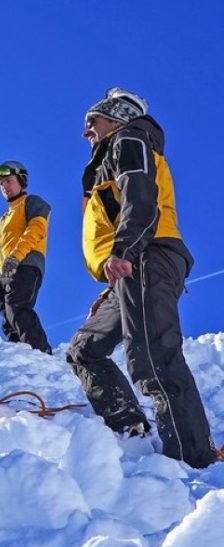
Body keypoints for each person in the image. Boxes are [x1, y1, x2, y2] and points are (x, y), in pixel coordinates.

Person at [66, 87, 217, 468]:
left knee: (153, 356)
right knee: (85, 348)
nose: (87, 132)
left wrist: (124, 251)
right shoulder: (111, 156)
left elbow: (142, 199)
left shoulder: (129, 138)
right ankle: (131, 430)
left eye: (92, 121)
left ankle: (192, 459)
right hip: (129, 263)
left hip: (146, 254)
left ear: (115, 117)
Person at [0, 160, 53, 354]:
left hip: (25, 264)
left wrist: (15, 257)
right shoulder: (3, 219)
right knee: (7, 319)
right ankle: (19, 358)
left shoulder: (32, 202)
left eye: (8, 181)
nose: (3, 187)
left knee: (17, 307)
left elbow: (36, 230)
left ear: (22, 180)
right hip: (4, 271)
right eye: (0, 184)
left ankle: (40, 353)